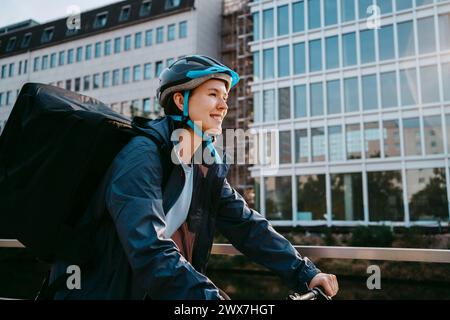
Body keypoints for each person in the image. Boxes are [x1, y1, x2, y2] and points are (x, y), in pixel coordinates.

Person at [48, 55, 338, 300]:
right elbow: (149, 248)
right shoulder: (142, 156)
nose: (224, 106)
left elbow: (247, 225)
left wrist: (304, 273)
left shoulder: (205, 166)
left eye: (225, 97)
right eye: (213, 94)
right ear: (180, 100)